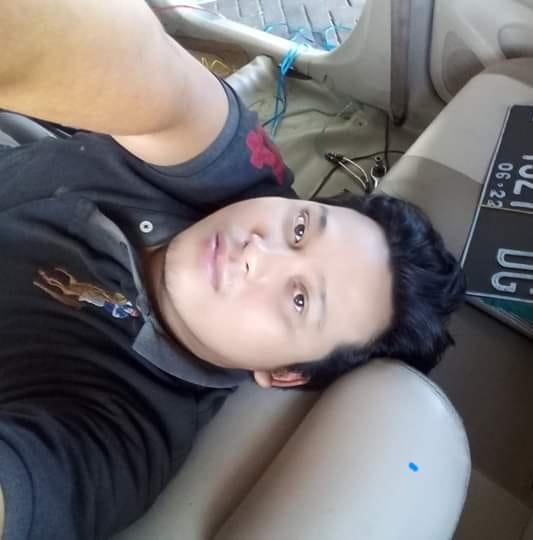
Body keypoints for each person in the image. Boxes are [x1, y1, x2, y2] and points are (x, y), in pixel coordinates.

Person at [0, 1, 465, 538]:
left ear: (284, 373)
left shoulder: (123, 435)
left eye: (299, 299)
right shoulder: (241, 173)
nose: (257, 252)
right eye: (300, 229)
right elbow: (132, 59)